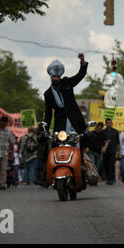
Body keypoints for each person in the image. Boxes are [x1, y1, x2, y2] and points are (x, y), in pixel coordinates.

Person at [43, 53, 89, 182]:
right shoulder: (47, 94)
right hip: (60, 125)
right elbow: (48, 113)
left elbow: (81, 75)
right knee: (53, 148)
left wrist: (82, 62)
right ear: (51, 77)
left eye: (58, 76)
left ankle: (82, 171)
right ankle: (48, 176)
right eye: (54, 76)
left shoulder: (67, 82)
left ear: (60, 76)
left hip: (75, 122)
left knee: (79, 146)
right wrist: (44, 128)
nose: (56, 78)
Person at [0, 116, 15, 190]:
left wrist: (12, 153)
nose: (5, 123)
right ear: (0, 122)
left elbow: (12, 142)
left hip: (4, 152)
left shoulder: (8, 131)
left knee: (3, 168)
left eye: (6, 122)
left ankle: (2, 184)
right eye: (3, 122)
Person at [102, 118, 120, 185]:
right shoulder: (103, 132)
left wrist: (118, 151)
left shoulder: (115, 131)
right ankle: (107, 178)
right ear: (106, 124)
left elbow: (118, 142)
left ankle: (111, 179)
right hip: (105, 151)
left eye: (110, 122)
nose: (109, 124)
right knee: (106, 165)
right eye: (108, 122)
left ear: (112, 123)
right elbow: (101, 141)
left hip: (113, 150)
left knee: (112, 165)